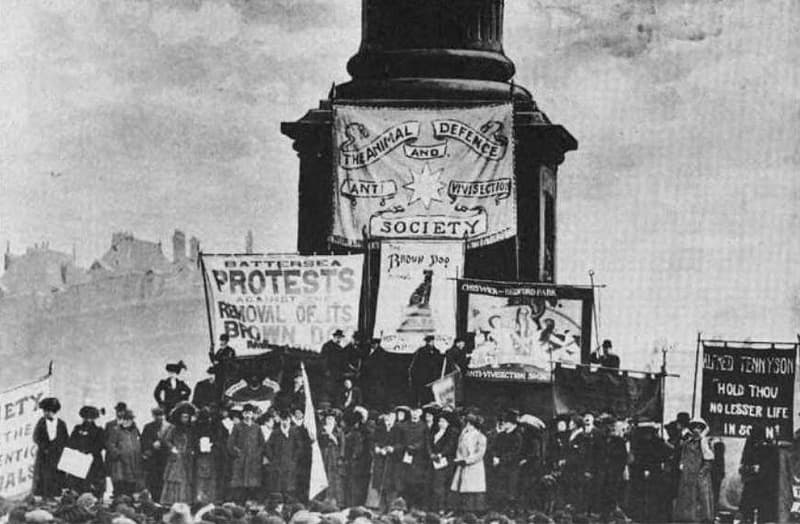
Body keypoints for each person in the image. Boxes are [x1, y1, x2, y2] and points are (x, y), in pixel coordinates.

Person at [629, 419, 672, 523]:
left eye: (649, 431)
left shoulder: (658, 442)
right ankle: (641, 517)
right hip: (640, 473)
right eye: (644, 431)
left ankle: (652, 517)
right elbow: (634, 459)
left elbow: (668, 452)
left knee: (654, 497)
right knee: (641, 496)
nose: (647, 434)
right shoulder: (637, 442)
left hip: (654, 472)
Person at [674, 418, 715, 523]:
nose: (696, 430)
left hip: (699, 474)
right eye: (694, 427)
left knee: (701, 499)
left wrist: (702, 473)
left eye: (699, 428)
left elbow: (708, 460)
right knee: (687, 497)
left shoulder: (704, 442)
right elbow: (683, 455)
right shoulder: (688, 442)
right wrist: (682, 465)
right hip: (688, 474)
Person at [738, 423, 778, 524]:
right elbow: (743, 463)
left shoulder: (768, 447)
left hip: (763, 483)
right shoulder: (750, 444)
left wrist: (760, 469)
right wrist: (750, 469)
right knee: (748, 507)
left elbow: (771, 467)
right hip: (752, 481)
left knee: (762, 509)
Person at [228, 403, 266, 502]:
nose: (248, 415)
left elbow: (262, 444)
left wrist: (257, 455)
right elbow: (231, 444)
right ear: (243, 414)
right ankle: (240, 503)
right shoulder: (237, 427)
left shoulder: (257, 427)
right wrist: (238, 453)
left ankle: (251, 504)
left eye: (250, 413)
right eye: (246, 413)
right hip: (241, 461)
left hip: (253, 461)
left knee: (253, 485)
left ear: (253, 414)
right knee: (240, 486)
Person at [450, 412, 487, 513]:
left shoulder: (481, 437)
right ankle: (464, 511)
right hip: (463, 465)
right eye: (467, 424)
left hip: (475, 466)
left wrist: (467, 460)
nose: (467, 426)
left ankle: (477, 512)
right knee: (464, 487)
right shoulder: (463, 435)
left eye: (469, 424)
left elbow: (480, 453)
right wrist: (460, 458)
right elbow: (459, 449)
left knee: (474, 489)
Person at [65, 406, 106, 497]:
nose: (88, 420)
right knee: (77, 484)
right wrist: (78, 450)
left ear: (94, 418)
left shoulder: (99, 430)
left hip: (93, 462)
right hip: (78, 461)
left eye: (90, 418)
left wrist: (88, 451)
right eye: (86, 417)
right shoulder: (77, 428)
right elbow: (71, 442)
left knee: (92, 483)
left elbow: (101, 445)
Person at [32, 397, 68, 497]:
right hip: (44, 456)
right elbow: (36, 437)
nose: (45, 414)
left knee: (57, 478)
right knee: (44, 478)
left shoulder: (61, 424)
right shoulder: (41, 422)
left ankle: (55, 497)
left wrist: (59, 449)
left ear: (54, 411)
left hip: (57, 456)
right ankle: (44, 498)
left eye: (48, 411)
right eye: (44, 411)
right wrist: (45, 448)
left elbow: (65, 440)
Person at [567, 411, 601, 516]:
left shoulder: (598, 433)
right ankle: (581, 510)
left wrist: (592, 469)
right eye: (585, 416)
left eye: (590, 416)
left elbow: (599, 453)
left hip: (593, 466)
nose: (587, 418)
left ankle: (592, 511)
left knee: (592, 489)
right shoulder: (580, 434)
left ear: (593, 419)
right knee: (581, 488)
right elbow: (572, 448)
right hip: (580, 466)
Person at [160, 402, 195, 505]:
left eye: (187, 417)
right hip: (176, 458)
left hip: (187, 458)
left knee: (186, 480)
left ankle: (184, 501)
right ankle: (171, 501)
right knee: (174, 479)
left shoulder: (190, 429)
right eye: (184, 417)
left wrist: (192, 450)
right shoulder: (173, 428)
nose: (185, 419)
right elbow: (166, 440)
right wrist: (172, 448)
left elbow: (192, 441)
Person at [490, 408, 524, 513]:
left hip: (512, 467)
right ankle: (502, 509)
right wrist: (495, 456)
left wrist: (501, 459)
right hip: (501, 467)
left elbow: (515, 453)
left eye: (505, 422)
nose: (503, 424)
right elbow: (493, 448)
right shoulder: (501, 435)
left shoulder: (517, 436)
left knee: (511, 490)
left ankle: (511, 510)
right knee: (501, 488)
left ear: (511, 423)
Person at [194, 406, 228, 503]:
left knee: (208, 477)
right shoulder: (199, 425)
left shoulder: (217, 425)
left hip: (212, 455)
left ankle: (207, 499)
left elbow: (223, 438)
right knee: (203, 477)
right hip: (204, 455)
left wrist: (214, 444)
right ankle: (202, 499)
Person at [107, 409, 144, 497]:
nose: (125, 422)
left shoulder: (135, 430)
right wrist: (118, 453)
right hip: (120, 462)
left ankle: (130, 499)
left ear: (131, 420)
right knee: (121, 481)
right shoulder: (116, 430)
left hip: (134, 460)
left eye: (128, 420)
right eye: (124, 419)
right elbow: (110, 444)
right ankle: (119, 499)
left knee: (132, 482)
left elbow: (139, 441)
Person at [398, 407, 429, 509]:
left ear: (420, 413)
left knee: (417, 482)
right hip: (406, 456)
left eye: (417, 412)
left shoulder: (424, 426)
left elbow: (425, 441)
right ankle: (406, 504)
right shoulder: (405, 425)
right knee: (405, 481)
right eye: (413, 412)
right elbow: (401, 440)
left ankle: (416, 505)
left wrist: (415, 447)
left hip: (418, 458)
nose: (415, 414)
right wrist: (406, 447)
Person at [369, 409, 400, 510]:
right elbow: (373, 441)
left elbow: (401, 444)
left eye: (391, 418)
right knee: (379, 483)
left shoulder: (398, 430)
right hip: (380, 460)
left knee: (390, 485)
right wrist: (376, 448)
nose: (388, 421)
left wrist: (393, 448)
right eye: (387, 418)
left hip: (392, 461)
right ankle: (380, 506)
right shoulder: (379, 429)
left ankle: (390, 507)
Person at [265, 410, 299, 501]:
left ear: (290, 420)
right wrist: (272, 458)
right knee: (277, 483)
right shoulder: (275, 433)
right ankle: (278, 501)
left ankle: (289, 502)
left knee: (289, 484)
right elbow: (268, 446)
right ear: (280, 420)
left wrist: (294, 459)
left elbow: (299, 447)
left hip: (290, 463)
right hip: (278, 463)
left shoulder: (294, 432)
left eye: (287, 419)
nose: (285, 422)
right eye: (283, 420)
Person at [429, 410, 459, 513]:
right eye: (439, 421)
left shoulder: (452, 432)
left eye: (443, 421)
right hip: (435, 460)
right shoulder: (436, 431)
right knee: (436, 485)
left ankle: (443, 508)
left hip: (446, 461)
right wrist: (432, 453)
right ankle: (436, 507)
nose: (440, 423)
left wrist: (441, 454)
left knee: (442, 485)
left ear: (448, 422)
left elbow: (450, 446)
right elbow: (429, 443)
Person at [344, 406, 372, 507]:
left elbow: (363, 448)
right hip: (355, 461)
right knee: (353, 483)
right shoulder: (353, 431)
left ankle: (355, 504)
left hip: (361, 462)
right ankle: (352, 503)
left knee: (357, 483)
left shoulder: (365, 431)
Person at [141, 407, 170, 499]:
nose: (159, 418)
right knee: (153, 479)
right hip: (153, 458)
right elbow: (143, 441)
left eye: (161, 415)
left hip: (164, 457)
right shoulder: (148, 427)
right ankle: (154, 498)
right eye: (157, 415)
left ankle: (163, 498)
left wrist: (162, 444)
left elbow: (171, 441)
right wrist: (152, 445)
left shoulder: (169, 427)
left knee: (163, 478)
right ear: (153, 416)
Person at [317, 408, 345, 505]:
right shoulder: (322, 430)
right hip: (325, 454)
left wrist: (341, 457)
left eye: (331, 419)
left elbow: (342, 444)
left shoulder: (339, 431)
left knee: (334, 477)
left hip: (334, 455)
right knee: (324, 475)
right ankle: (324, 498)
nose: (329, 421)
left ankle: (336, 499)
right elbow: (319, 442)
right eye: (328, 419)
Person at [409, 335, 445, 406]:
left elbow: (439, 362)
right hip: (424, 375)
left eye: (432, 341)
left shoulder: (436, 351)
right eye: (429, 342)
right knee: (424, 392)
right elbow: (416, 363)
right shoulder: (421, 351)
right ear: (426, 342)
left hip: (433, 375)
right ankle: (423, 405)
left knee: (432, 391)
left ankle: (431, 405)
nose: (431, 343)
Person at [360, 337, 391, 411]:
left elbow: (380, 368)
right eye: (371, 343)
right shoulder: (370, 351)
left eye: (373, 343)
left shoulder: (382, 353)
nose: (371, 345)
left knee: (377, 396)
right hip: (370, 379)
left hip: (377, 380)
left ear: (377, 344)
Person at [292, 407, 312, 501]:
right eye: (296, 412)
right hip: (295, 455)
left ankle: (304, 497)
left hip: (306, 454)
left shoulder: (307, 425)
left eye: (300, 412)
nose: (298, 414)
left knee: (305, 476)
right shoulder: (292, 425)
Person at [321, 329, 349, 399]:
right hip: (329, 373)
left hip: (338, 374)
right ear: (334, 337)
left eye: (340, 338)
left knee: (337, 391)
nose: (339, 340)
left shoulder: (340, 348)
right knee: (329, 390)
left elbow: (343, 362)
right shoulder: (327, 346)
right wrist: (326, 371)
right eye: (338, 337)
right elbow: (323, 360)